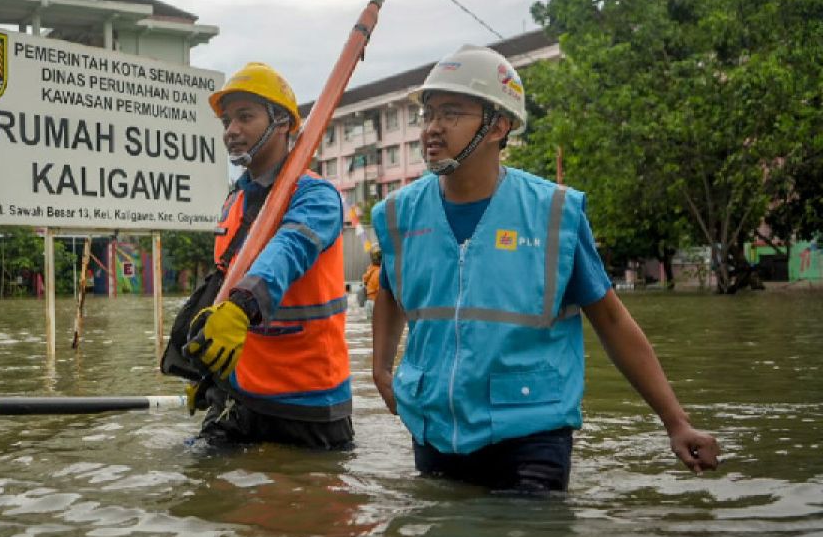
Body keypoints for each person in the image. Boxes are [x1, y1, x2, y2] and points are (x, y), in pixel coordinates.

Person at [370, 44, 720, 492]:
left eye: (451, 114)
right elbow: (391, 292)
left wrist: (676, 422)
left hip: (531, 431)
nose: (432, 129)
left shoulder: (553, 213)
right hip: (435, 427)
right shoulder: (398, 214)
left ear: (499, 125)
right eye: (429, 114)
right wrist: (381, 370)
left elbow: (612, 320)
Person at [181, 61, 354, 450]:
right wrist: (205, 373)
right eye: (227, 121)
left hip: (309, 403)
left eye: (245, 117)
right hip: (240, 395)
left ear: (283, 123)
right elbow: (221, 288)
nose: (232, 131)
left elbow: (287, 251)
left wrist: (243, 306)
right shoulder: (235, 200)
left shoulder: (316, 196)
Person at [360, 248, 382, 321]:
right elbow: (381, 291)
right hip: (376, 303)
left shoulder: (370, 270)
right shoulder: (379, 273)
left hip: (369, 302)